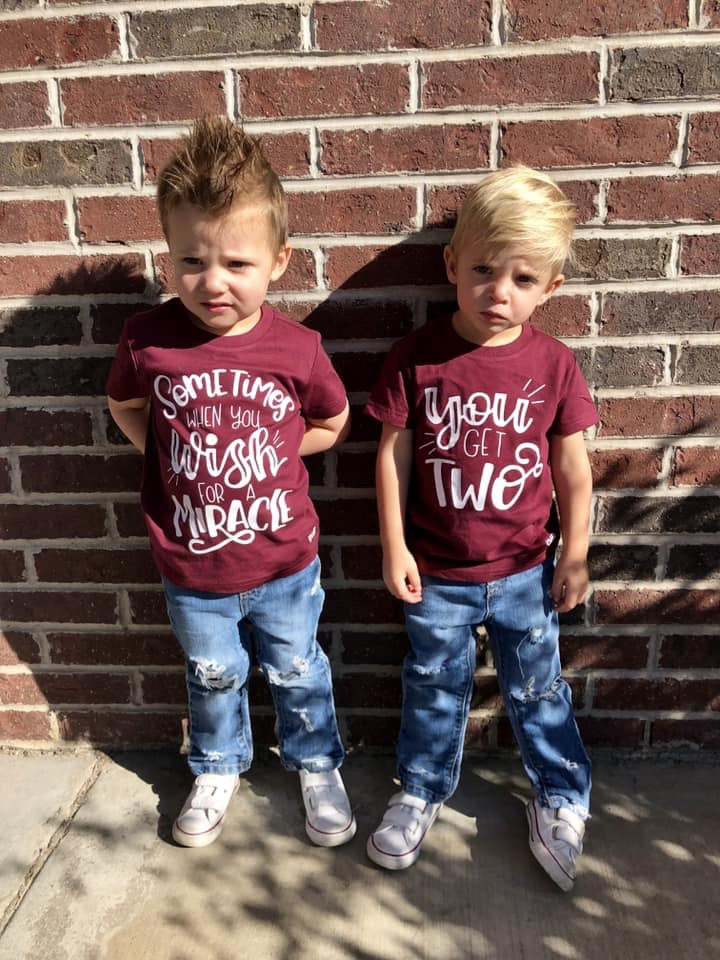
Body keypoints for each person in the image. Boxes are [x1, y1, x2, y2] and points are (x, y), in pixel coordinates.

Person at [106, 116, 356, 849]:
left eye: (236, 263)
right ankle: (217, 767)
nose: (212, 282)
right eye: (191, 260)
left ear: (279, 260)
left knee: (298, 669)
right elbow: (124, 405)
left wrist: (274, 453)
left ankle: (316, 764)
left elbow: (333, 421)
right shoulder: (148, 341)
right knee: (212, 673)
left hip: (283, 562)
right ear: (167, 256)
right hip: (193, 567)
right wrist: (165, 453)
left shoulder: (297, 348)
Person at [364, 165, 597, 890]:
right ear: (451, 266)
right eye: (484, 271)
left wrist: (577, 554)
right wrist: (395, 545)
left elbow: (573, 468)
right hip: (438, 573)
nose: (500, 292)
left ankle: (562, 798)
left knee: (538, 689)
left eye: (523, 279)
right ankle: (420, 791)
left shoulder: (553, 364)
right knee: (434, 684)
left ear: (551, 287)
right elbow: (393, 455)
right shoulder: (417, 358)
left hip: (527, 572)